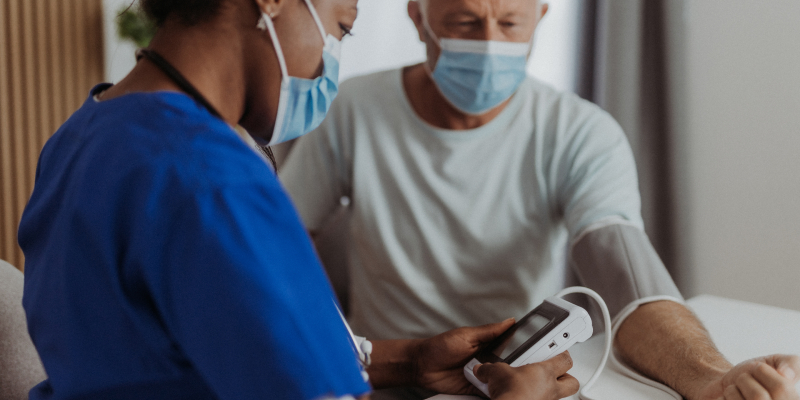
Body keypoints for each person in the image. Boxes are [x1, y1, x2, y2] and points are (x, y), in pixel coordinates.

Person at [17, 0, 580, 399]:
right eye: (341, 29)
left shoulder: (82, 133)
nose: (328, 65)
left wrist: (410, 360)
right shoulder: (216, 183)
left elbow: (188, 346)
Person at [279, 0, 800, 399]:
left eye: (510, 24)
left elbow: (626, 279)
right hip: (388, 374)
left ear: (542, 17)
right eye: (464, 22)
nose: (488, 43)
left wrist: (712, 379)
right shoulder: (352, 111)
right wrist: (335, 351)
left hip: (521, 379)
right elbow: (283, 246)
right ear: (419, 17)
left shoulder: (578, 133)